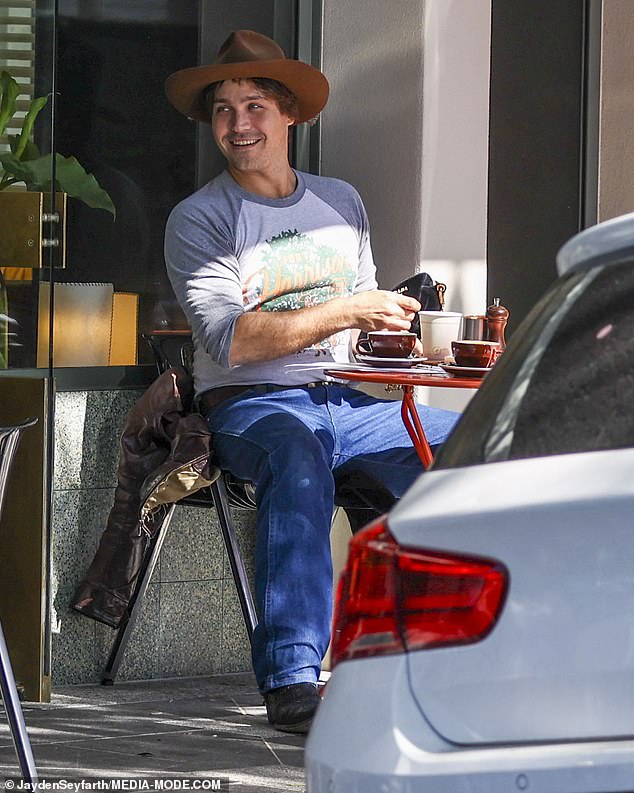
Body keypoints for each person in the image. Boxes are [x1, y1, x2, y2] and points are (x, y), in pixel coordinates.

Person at [163, 29, 459, 733]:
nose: (239, 124)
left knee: (468, 447)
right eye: (225, 110)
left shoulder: (340, 202)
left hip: (351, 396)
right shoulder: (201, 219)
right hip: (250, 404)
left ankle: (433, 655)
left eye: (256, 105)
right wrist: (353, 305)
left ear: (290, 114)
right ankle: (294, 678)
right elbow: (229, 340)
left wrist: (404, 323)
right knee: (297, 456)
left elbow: (359, 333)